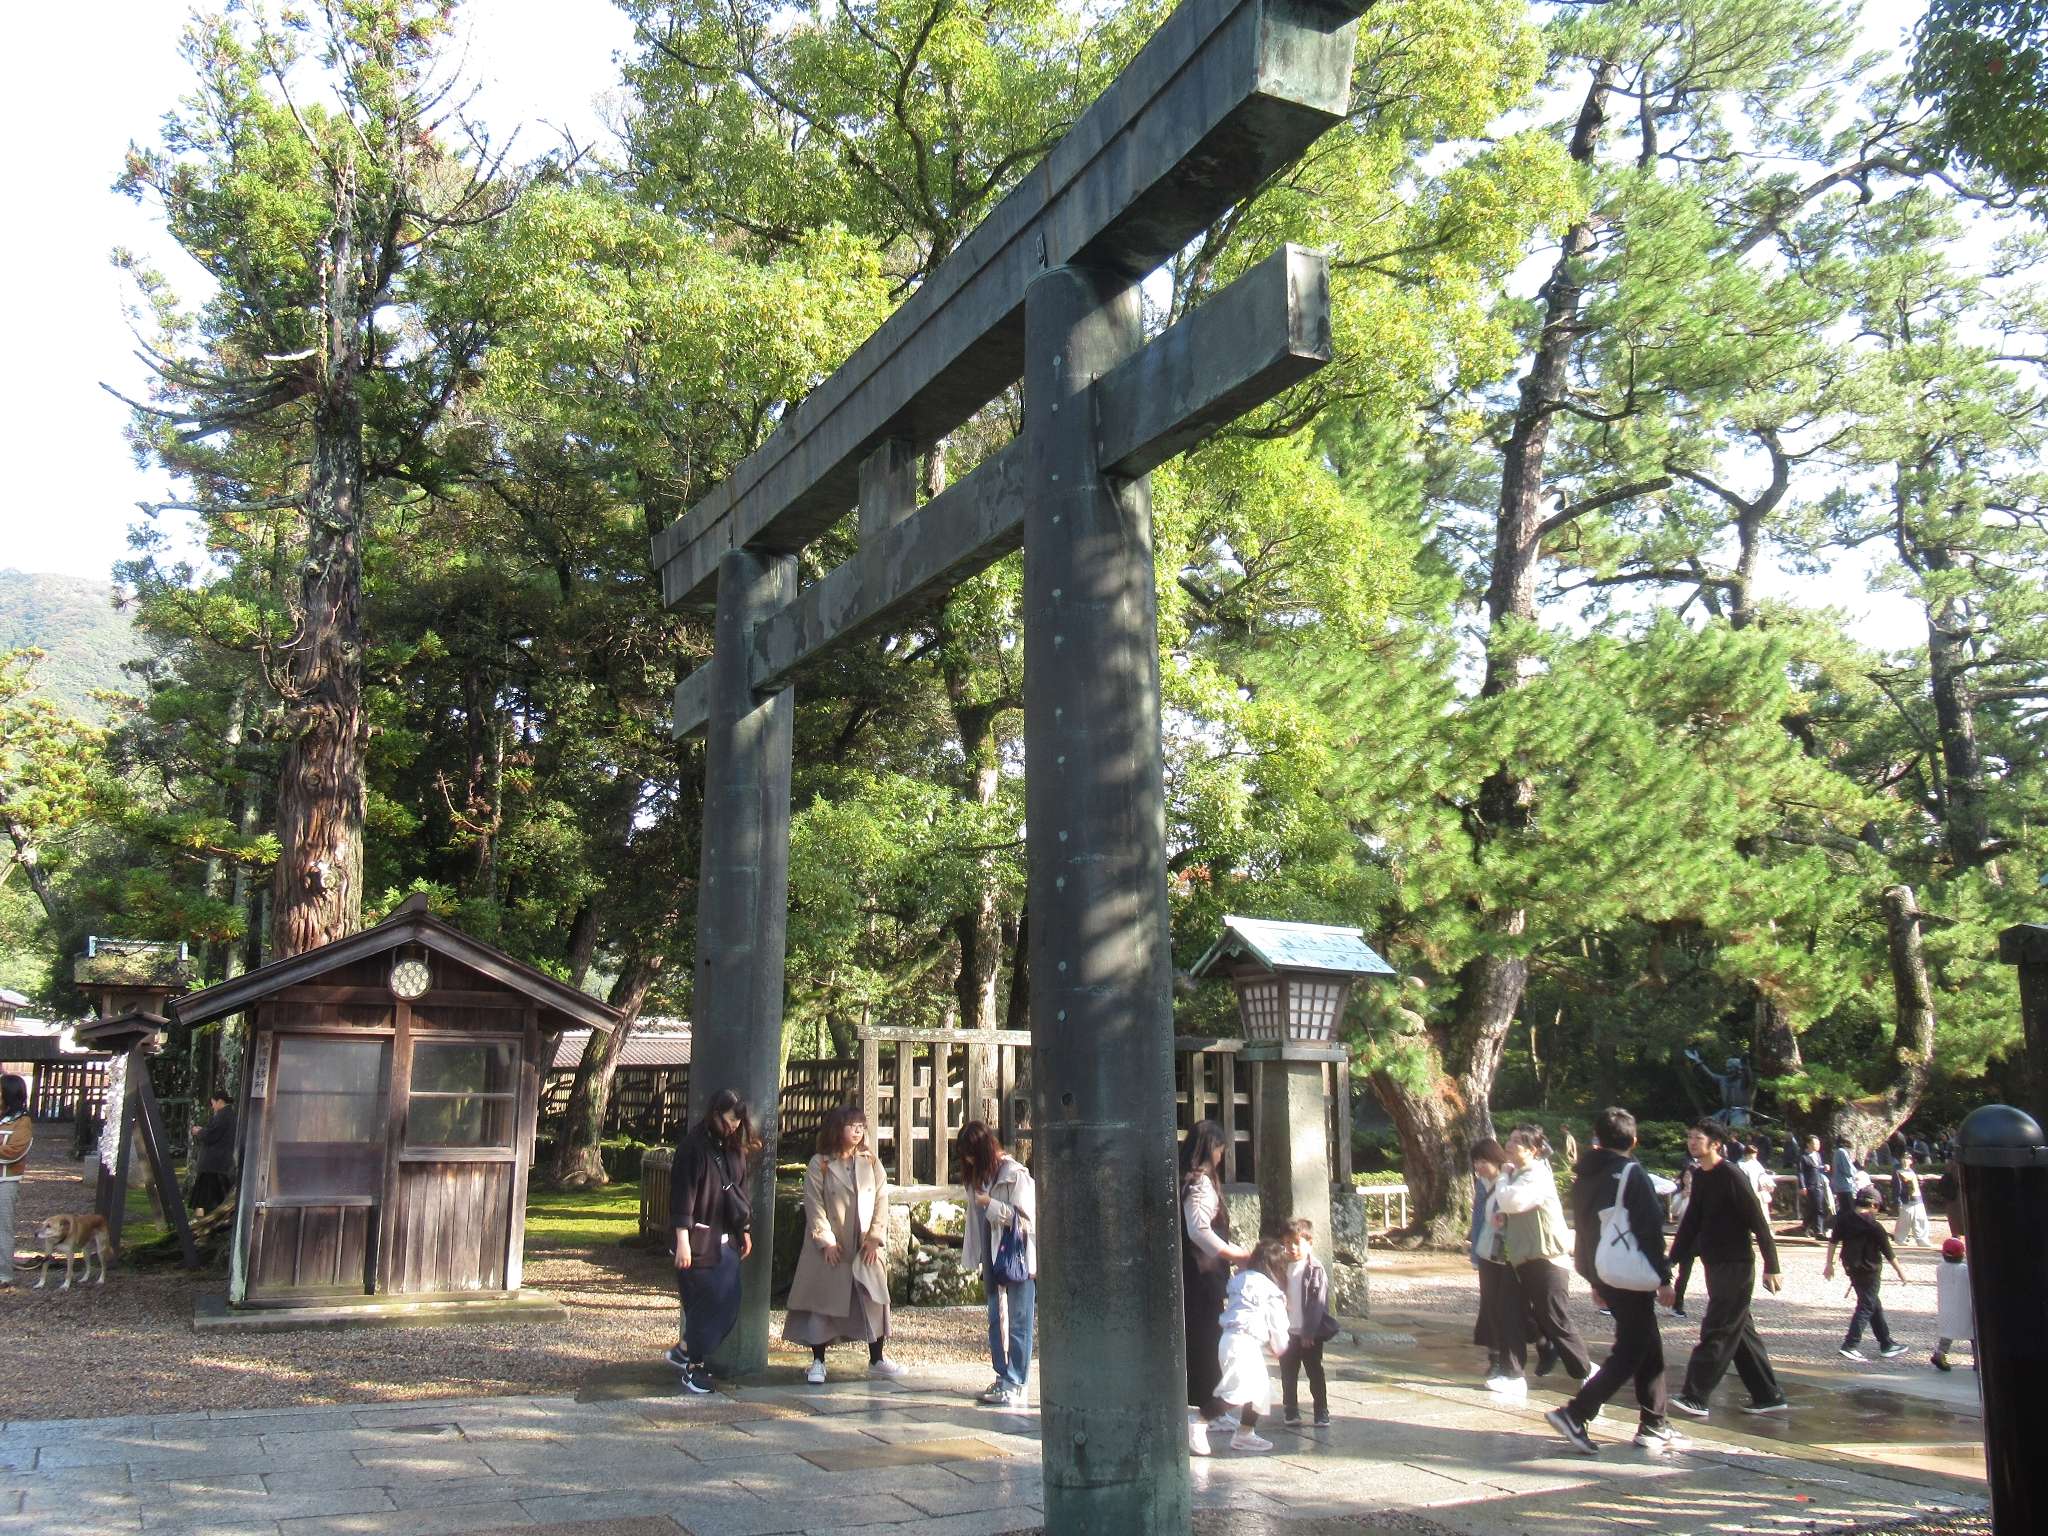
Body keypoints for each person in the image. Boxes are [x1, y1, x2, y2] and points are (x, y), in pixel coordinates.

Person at [1544, 1107, 1681, 1456]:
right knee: (1633, 1349)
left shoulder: (1584, 1175)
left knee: (1647, 1344)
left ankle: (1654, 1422)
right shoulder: (1631, 1173)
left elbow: (1587, 1229)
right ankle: (1577, 1412)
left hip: (1605, 1269)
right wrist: (1664, 1276)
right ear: (1633, 1141)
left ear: (1597, 1139)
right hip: (1632, 1271)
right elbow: (1648, 1229)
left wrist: (1594, 1277)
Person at [1663, 1119, 1790, 1418]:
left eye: (1698, 1137)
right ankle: (1768, 1394)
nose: (1692, 1142)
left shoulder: (1731, 1174)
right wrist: (1669, 1261)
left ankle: (1696, 1395)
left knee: (1718, 1327)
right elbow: (1691, 1223)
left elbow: (1758, 1221)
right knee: (1740, 1330)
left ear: (1716, 1143)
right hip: (1714, 1263)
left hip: (1737, 1264)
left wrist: (1772, 1265)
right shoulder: (1700, 1175)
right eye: (1690, 1137)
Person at [786, 1104, 903, 1384]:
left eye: (861, 1126)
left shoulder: (871, 1162)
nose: (858, 1131)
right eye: (852, 1126)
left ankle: (877, 1358)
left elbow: (881, 1201)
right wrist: (825, 1240)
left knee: (873, 1299)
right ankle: (818, 1361)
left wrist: (876, 1237)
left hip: (864, 1244)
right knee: (823, 1303)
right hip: (833, 1244)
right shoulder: (820, 1163)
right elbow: (814, 1204)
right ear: (837, 1129)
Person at [667, 1088, 761, 1393]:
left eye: (737, 1122)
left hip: (727, 1239)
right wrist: (682, 1239)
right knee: (704, 1304)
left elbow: (740, 1193)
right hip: (697, 1239)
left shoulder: (734, 1151)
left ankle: (684, 1349)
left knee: (728, 1302)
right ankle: (694, 1365)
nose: (733, 1127)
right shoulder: (692, 1148)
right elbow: (683, 1196)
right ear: (715, 1113)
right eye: (729, 1120)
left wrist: (743, 1229)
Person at [1492, 1125, 1591, 1386]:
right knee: (1508, 1312)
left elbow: (1511, 1201)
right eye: (1509, 1139)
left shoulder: (1536, 1174)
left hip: (1546, 1258)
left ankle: (1586, 1371)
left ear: (1534, 1150)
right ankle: (1511, 1374)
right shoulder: (1516, 1174)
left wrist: (1501, 1177)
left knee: (1555, 1319)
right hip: (1519, 1258)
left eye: (1517, 1142)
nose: (1509, 1145)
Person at [1181, 1119, 1254, 1455]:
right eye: (1221, 1148)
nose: (1223, 1155)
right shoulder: (1200, 1185)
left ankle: (1204, 1401)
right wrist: (1235, 1253)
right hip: (1203, 1272)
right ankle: (1210, 1406)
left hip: (1196, 1272)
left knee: (1201, 1337)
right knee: (1208, 1339)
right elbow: (1199, 1231)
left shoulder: (1189, 1181)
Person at [957, 1121, 1036, 1407]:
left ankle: (1017, 1381)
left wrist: (991, 1205)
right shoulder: (979, 1176)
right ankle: (1003, 1376)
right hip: (992, 1255)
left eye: (971, 1153)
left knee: (1019, 1320)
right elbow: (974, 1225)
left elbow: (1028, 1220)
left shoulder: (1015, 1174)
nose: (968, 1160)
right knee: (996, 1319)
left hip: (1018, 1255)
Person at [1210, 1237, 1292, 1454]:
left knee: (1259, 1389)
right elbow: (1278, 1324)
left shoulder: (1241, 1280)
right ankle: (1199, 1421)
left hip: (1231, 1340)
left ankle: (1245, 1433)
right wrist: (1280, 1347)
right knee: (1239, 1392)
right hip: (1243, 1344)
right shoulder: (1270, 1291)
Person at [1824, 1186, 1910, 1362]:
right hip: (1870, 1270)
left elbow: (1833, 1242)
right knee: (1866, 1306)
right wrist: (1901, 1272)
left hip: (1851, 1268)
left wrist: (1829, 1264)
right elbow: (1888, 1252)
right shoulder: (1875, 1226)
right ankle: (1850, 1344)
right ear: (1873, 1205)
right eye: (1877, 1207)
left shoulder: (1843, 1220)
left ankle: (1886, 1343)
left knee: (1872, 1304)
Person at [1279, 1217, 1339, 1427]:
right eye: (1287, 1243)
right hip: (1286, 1332)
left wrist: (1309, 1332)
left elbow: (1317, 1305)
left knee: (1315, 1371)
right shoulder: (1281, 1267)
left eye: (1296, 1242)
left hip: (1308, 1333)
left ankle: (1321, 1410)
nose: (1292, 1248)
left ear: (1309, 1242)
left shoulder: (1315, 1269)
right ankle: (1290, 1409)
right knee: (1288, 1373)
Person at [1469, 1139, 1513, 1380]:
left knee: (1508, 1306)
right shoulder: (1481, 1184)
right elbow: (1477, 1220)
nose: (1479, 1166)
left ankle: (1517, 1352)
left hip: (1508, 1254)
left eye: (1483, 1160)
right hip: (1487, 1251)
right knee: (1490, 1306)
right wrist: (1474, 1253)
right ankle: (1495, 1357)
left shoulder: (1508, 1180)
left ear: (1496, 1159)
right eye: (1476, 1161)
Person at [0, 1074, 30, 1291]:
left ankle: (3, 1274)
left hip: (5, 1182)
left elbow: (15, 1151)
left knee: (3, 1228)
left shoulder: (22, 1121)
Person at [187, 1089, 237, 1213]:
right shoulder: (227, 1115)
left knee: (209, 1197)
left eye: (213, 1103)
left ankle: (207, 1219)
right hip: (218, 1162)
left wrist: (199, 1131)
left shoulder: (223, 1116)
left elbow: (211, 1136)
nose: (213, 1106)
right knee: (210, 1195)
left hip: (213, 1163)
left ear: (220, 1101)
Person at [1931, 1236, 1974, 1372]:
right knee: (1974, 1334)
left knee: (1947, 1333)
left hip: (1946, 1307)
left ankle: (1940, 1354)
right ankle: (1979, 1361)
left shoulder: (1940, 1268)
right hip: (1965, 1307)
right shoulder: (1965, 1270)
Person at [1667, 1162, 1695, 1319]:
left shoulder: (1701, 1194)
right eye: (1686, 1176)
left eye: (1691, 1176)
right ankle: (1677, 1304)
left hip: (1700, 1237)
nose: (1688, 1179)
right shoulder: (1680, 1195)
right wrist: (1682, 1197)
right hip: (1683, 1237)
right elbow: (1673, 1211)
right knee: (1683, 1272)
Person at [1891, 1151, 1931, 1247]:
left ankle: (1922, 1239)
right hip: (1906, 1200)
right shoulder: (1898, 1172)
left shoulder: (1912, 1171)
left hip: (1917, 1198)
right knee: (1904, 1221)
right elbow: (1896, 1188)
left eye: (1908, 1159)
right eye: (1904, 1158)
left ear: (1911, 1161)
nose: (1906, 1160)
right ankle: (1900, 1239)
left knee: (1920, 1219)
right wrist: (1898, 1201)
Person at [1798, 1136, 1830, 1240]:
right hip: (1810, 1185)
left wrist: (1824, 1167)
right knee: (1818, 1208)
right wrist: (1802, 1186)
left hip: (1819, 1184)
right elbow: (1800, 1172)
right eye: (1815, 1143)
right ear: (1808, 1144)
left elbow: (1818, 1168)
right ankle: (1819, 1232)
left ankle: (1805, 1226)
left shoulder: (1817, 1155)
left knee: (1814, 1208)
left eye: (1818, 1143)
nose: (1818, 1146)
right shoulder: (1803, 1157)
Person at [1829, 1136, 1858, 1213]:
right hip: (1845, 1185)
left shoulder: (1837, 1152)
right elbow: (1848, 1169)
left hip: (1839, 1185)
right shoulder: (1842, 1152)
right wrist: (1855, 1174)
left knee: (1843, 1209)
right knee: (1849, 1210)